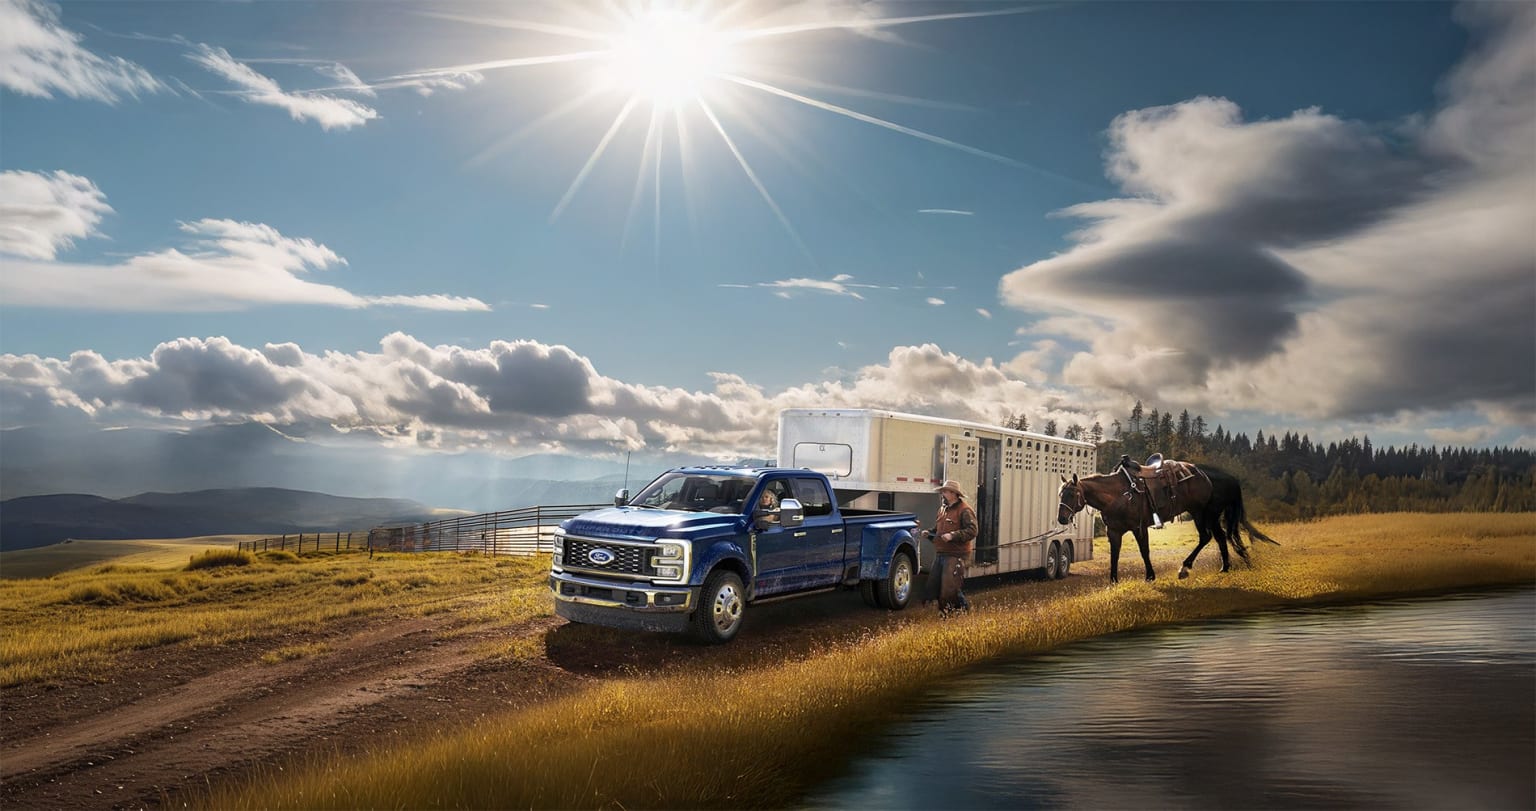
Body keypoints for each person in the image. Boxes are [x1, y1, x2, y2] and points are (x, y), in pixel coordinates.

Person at [921, 479, 978, 613]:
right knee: (938, 586)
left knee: (949, 588)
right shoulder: (942, 509)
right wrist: (929, 534)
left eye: (945, 491)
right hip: (942, 553)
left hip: (956, 555)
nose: (943, 494)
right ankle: (952, 614)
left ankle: (959, 613)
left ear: (954, 494)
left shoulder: (965, 510)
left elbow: (972, 530)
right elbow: (938, 530)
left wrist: (953, 535)